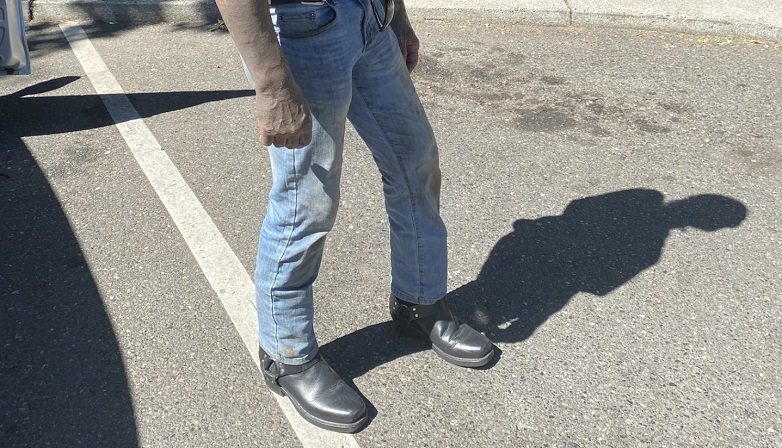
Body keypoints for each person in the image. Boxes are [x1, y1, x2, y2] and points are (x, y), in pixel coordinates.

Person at [215, 0, 495, 433]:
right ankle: (286, 355)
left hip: (370, 19)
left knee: (415, 162)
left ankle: (419, 302)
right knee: (306, 201)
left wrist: (395, 15)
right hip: (303, 28)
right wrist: (271, 82)